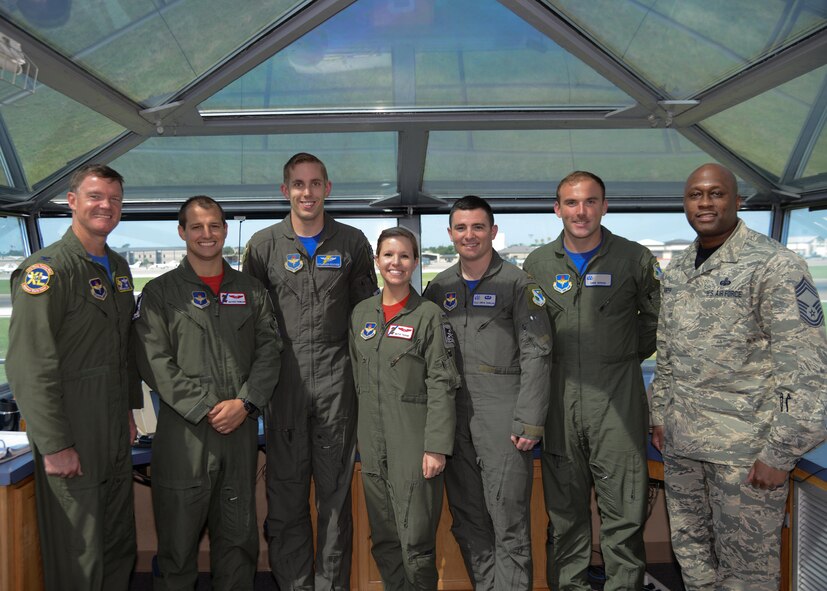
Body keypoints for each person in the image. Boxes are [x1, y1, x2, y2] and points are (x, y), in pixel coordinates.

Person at [650, 163, 827, 591]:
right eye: (696, 195)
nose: (705, 203)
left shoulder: (775, 265)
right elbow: (668, 352)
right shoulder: (678, 269)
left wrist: (780, 452)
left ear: (737, 201)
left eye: (716, 194)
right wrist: (659, 415)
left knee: (747, 572)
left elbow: (806, 368)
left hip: (745, 455)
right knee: (692, 555)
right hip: (683, 444)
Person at [242, 152, 378, 590]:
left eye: (315, 183)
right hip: (284, 384)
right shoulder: (263, 246)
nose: (307, 192)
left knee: (336, 498)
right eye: (298, 184)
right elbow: (254, 326)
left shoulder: (353, 243)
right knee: (285, 496)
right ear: (286, 191)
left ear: (327, 189)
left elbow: (367, 320)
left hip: (339, 383)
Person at [133, 196, 282, 590]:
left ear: (225, 230)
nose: (206, 234)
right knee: (178, 548)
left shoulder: (251, 291)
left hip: (240, 431)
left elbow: (271, 351)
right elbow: (153, 360)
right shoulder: (161, 294)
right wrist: (203, 407)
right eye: (196, 227)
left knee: (237, 543)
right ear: (182, 232)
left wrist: (246, 403)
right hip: (184, 436)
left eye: (214, 225)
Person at [6, 164, 141, 590]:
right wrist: (55, 444)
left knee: (118, 543)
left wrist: (128, 414)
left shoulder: (117, 267)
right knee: (78, 552)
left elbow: (122, 350)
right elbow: (29, 364)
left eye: (114, 199)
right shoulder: (47, 271)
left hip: (114, 431)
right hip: (73, 431)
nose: (106, 206)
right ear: (72, 201)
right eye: (96, 196)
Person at [523, 171, 660, 591]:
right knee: (566, 518)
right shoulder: (538, 263)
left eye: (589, 202)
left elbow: (655, 324)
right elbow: (531, 332)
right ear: (557, 208)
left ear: (604, 205)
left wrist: (613, 357)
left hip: (617, 403)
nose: (580, 211)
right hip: (559, 404)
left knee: (624, 516)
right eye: (571, 203)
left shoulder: (634, 259)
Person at [423, 196, 552, 590]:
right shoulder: (439, 287)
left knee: (508, 521)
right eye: (461, 228)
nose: (469, 235)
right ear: (450, 234)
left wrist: (529, 420)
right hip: (454, 418)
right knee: (468, 519)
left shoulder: (518, 284)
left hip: (503, 416)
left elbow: (538, 352)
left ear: (493, 232)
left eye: (478, 227)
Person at [350, 226, 459, 590]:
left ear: (415, 262)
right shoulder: (361, 314)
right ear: (377, 261)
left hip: (414, 444)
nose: (396, 262)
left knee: (415, 543)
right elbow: (355, 378)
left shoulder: (428, 315)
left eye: (404, 256)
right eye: (388, 255)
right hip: (372, 442)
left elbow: (443, 383)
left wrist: (436, 446)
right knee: (384, 540)